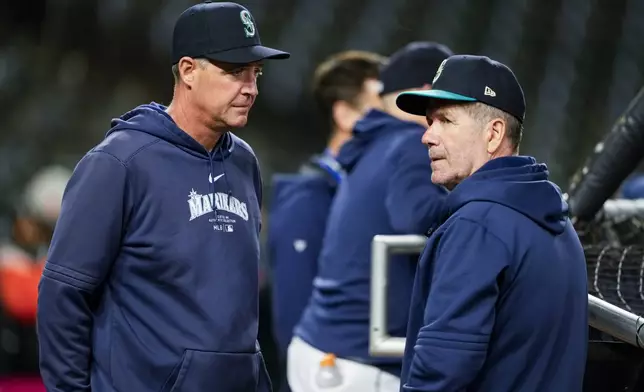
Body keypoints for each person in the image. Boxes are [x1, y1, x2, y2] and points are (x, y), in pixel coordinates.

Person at [36, 2, 289, 392]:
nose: (251, 88)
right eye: (235, 71)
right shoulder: (119, 161)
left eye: (256, 73)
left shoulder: (244, 161)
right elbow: (63, 293)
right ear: (188, 70)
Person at [395, 54, 588, 391]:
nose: (427, 136)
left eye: (445, 121)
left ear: (494, 133)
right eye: (429, 122)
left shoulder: (478, 225)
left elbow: (443, 367)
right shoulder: (551, 217)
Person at [287, 42, 452, 392]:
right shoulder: (410, 142)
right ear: (427, 93)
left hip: (324, 351)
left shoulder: (375, 143)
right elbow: (418, 215)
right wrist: (485, 196)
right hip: (354, 363)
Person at [267, 49, 386, 382]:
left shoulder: (368, 197)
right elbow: (295, 325)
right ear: (345, 114)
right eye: (381, 109)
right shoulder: (309, 201)